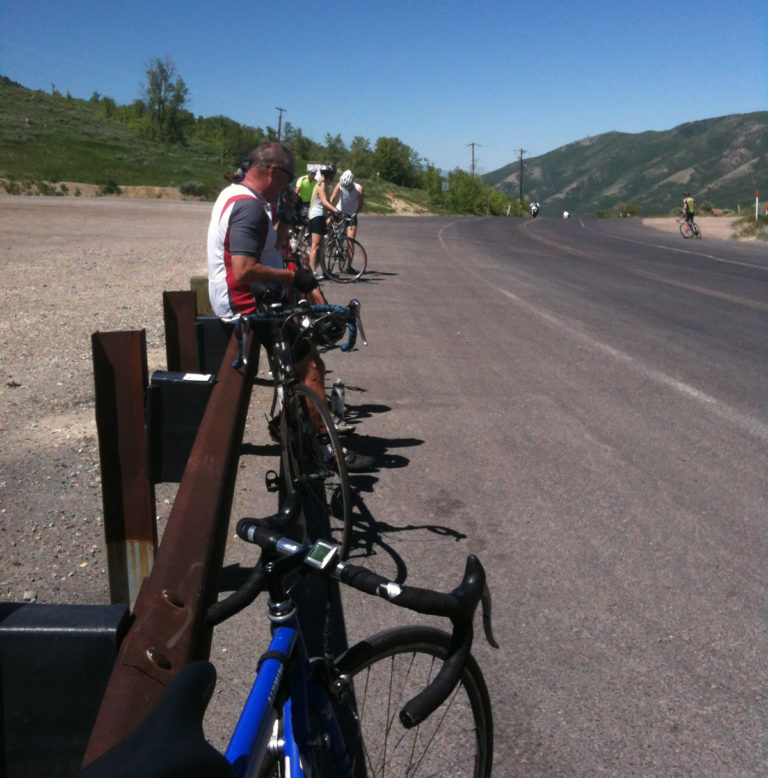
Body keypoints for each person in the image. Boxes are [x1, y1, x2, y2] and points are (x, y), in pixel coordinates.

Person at [207, 143, 372, 468]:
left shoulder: (237, 195)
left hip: (251, 300)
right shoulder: (249, 207)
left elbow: (272, 247)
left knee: (303, 355)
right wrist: (292, 277)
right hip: (248, 307)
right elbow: (243, 269)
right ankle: (324, 450)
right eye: (287, 179)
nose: (289, 186)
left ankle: (288, 423)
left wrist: (283, 221)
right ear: (272, 172)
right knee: (311, 367)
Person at [307, 165, 340, 279]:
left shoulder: (324, 185)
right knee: (315, 246)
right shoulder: (321, 185)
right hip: (317, 216)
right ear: (329, 176)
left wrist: (333, 214)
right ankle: (312, 272)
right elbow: (325, 202)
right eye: (333, 177)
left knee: (321, 247)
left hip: (321, 216)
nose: (333, 179)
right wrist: (336, 210)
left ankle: (325, 272)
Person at [331, 170, 365, 272]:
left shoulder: (359, 189)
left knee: (351, 240)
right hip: (340, 211)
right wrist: (332, 211)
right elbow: (332, 199)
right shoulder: (340, 185)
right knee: (328, 225)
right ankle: (329, 245)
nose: (345, 188)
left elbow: (360, 205)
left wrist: (356, 213)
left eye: (347, 187)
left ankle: (349, 267)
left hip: (351, 214)